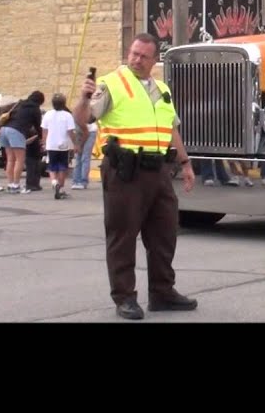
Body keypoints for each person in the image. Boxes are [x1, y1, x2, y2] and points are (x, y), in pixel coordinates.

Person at [74, 33, 197, 320]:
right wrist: (83, 97)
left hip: (159, 172)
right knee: (123, 235)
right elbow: (82, 119)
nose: (136, 59)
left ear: (156, 60)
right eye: (133, 53)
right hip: (125, 172)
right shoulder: (111, 84)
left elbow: (171, 129)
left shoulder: (162, 89)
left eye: (143, 56)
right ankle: (124, 298)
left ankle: (162, 293)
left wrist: (186, 162)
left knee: (165, 234)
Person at [42, 93, 78, 199]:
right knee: (63, 167)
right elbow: (71, 131)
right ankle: (61, 188)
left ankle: (54, 182)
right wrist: (75, 144)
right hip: (63, 145)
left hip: (51, 144)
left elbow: (44, 130)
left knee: (52, 166)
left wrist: (44, 142)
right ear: (64, 104)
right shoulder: (67, 115)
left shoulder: (47, 114)